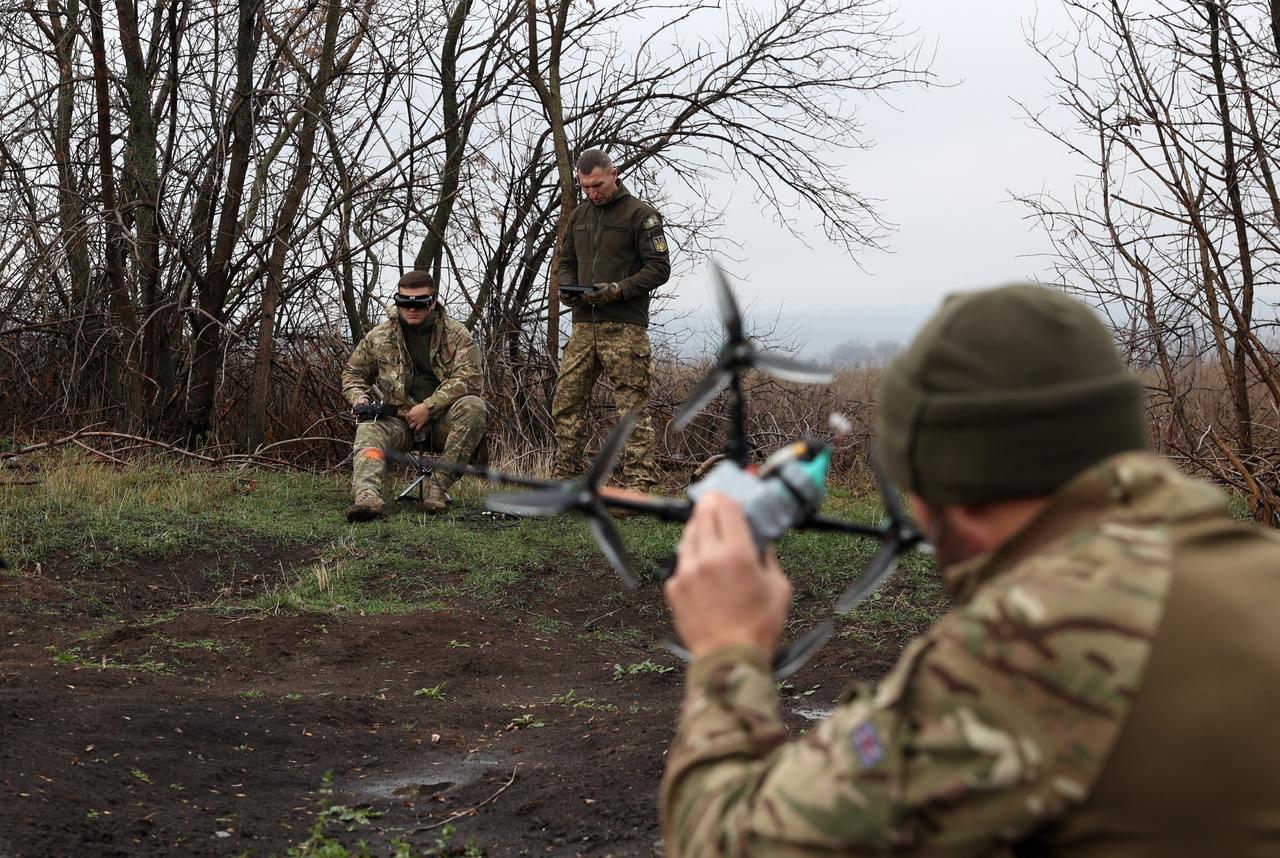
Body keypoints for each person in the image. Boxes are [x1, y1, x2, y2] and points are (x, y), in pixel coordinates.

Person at [660, 284, 1280, 855]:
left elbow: (730, 842)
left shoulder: (1030, 648)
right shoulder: (1255, 565)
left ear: (941, 485)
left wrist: (727, 647)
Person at [551, 148, 670, 497]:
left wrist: (618, 290)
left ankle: (639, 485)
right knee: (567, 402)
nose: (592, 193)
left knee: (631, 407)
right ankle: (565, 478)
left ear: (614, 174)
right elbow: (565, 262)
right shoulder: (579, 216)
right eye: (585, 187)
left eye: (598, 185)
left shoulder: (641, 215)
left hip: (624, 327)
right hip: (583, 325)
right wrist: (567, 289)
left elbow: (659, 268)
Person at [341, 271, 487, 521]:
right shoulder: (379, 336)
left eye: (418, 303)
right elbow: (353, 373)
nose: (411, 308)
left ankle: (438, 488)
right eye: (404, 302)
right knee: (369, 427)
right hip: (400, 421)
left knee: (474, 406)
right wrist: (359, 398)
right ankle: (367, 497)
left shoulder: (457, 334)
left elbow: (470, 379)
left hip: (443, 421)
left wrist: (429, 407)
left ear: (432, 302)